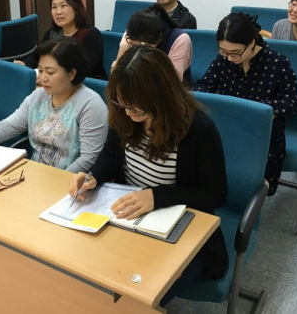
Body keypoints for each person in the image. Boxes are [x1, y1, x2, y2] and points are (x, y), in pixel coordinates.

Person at [68, 45, 228, 305]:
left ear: (161, 96)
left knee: (133, 299)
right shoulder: (125, 115)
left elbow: (215, 195)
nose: (129, 112)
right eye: (122, 102)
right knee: (81, 275)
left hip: (178, 228)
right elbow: (110, 155)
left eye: (137, 106)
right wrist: (92, 176)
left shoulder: (199, 129)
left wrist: (157, 196)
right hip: (127, 221)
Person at [0, 37, 108, 174]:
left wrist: (60, 183)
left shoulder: (90, 105)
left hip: (70, 184)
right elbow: (7, 127)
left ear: (72, 73)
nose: (43, 78)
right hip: (34, 176)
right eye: (40, 70)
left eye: (50, 72)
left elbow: (88, 159)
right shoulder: (38, 97)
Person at [193, 13, 297, 195]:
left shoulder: (278, 63)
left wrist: (258, 109)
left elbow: (292, 103)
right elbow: (205, 85)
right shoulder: (223, 59)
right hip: (226, 129)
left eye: (235, 52)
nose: (229, 58)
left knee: (252, 188)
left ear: (251, 43)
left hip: (263, 136)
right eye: (223, 51)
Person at [18, 0, 106, 79]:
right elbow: (37, 57)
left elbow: (86, 70)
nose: (58, 12)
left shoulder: (91, 34)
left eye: (63, 6)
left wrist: (49, 77)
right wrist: (23, 65)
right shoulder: (53, 33)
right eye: (54, 7)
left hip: (86, 84)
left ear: (76, 9)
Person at [111, 3, 192, 82]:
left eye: (145, 41)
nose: (141, 45)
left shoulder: (180, 39)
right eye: (138, 41)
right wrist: (124, 47)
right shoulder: (131, 34)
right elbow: (116, 78)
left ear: (160, 36)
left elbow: (173, 82)